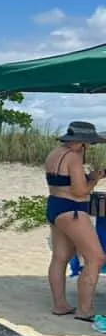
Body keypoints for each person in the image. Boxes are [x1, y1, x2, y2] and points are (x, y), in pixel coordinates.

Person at [43, 121, 106, 324]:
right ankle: (85, 310)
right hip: (73, 210)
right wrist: (94, 179)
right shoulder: (74, 157)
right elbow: (79, 191)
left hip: (55, 206)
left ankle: (59, 304)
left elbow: (63, 181)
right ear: (82, 142)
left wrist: (89, 177)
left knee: (60, 257)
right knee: (96, 258)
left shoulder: (55, 153)